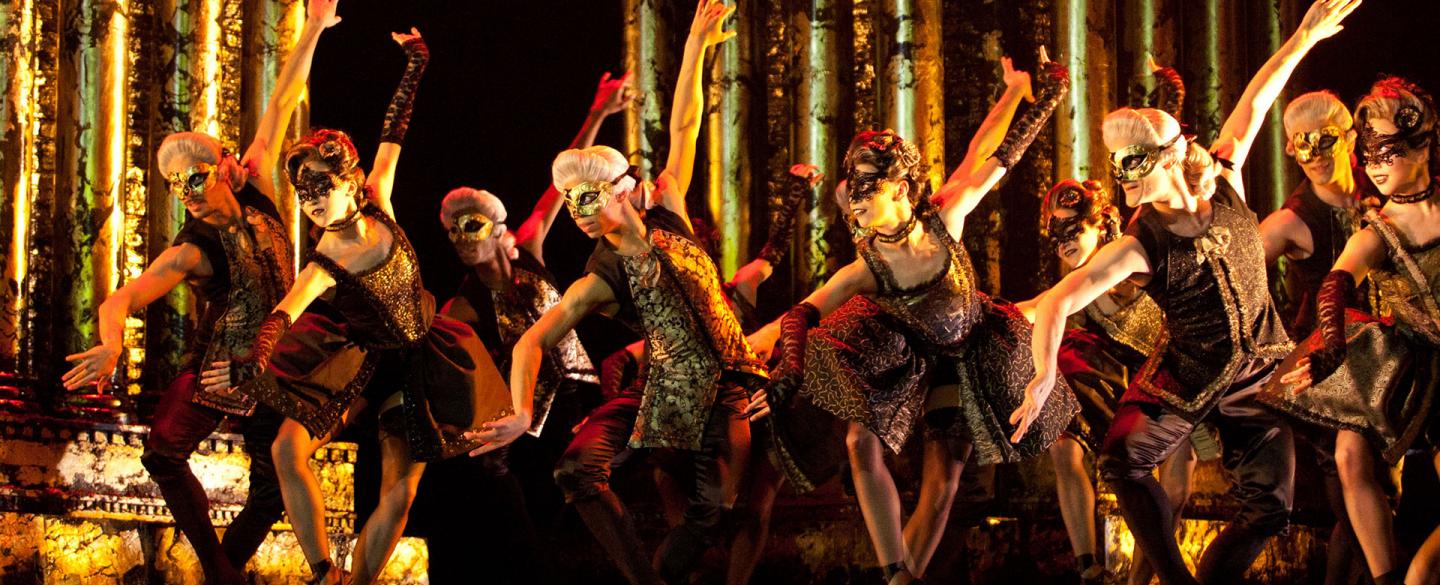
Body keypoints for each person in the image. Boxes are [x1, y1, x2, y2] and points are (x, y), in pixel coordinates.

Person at [1012, 2, 1359, 583]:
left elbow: (1256, 100)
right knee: (1121, 462)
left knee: (1269, 511)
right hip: (1189, 372)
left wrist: (1304, 36)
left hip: (1259, 370)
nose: (1120, 175)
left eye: (1130, 163)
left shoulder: (1224, 181)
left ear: (1167, 160)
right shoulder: (1138, 241)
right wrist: (1044, 372)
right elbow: (1058, 300)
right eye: (1115, 163)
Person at [747, 52, 1080, 585]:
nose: (854, 205)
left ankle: (908, 576)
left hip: (970, 353)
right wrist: (786, 373)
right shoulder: (867, 266)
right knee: (859, 442)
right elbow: (803, 314)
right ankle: (894, 573)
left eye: (865, 193)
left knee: (943, 478)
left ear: (900, 190)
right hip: (905, 356)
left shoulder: (946, 214)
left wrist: (1034, 92)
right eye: (850, 195)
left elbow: (992, 152)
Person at [467, 4, 760, 584]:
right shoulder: (602, 275)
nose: (577, 212)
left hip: (726, 384)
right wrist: (522, 411)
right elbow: (533, 339)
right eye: (569, 201)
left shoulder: (667, 211)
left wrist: (698, 43)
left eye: (587, 197)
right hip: (663, 389)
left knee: (714, 515)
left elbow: (685, 127)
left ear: (624, 191)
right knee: (574, 470)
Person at [201, 30, 505, 585]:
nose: (313, 203)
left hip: (417, 361)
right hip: (361, 361)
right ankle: (326, 574)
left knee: (401, 490)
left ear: (353, 182)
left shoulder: (382, 201)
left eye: (322, 188)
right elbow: (283, 314)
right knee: (287, 447)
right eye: (304, 195)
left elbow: (395, 130)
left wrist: (416, 61)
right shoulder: (324, 257)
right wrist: (248, 363)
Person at [59, 1, 339, 582]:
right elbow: (123, 297)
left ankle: (223, 571)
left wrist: (312, 26)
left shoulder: (253, 185)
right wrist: (111, 343)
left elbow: (283, 100)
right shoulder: (192, 247)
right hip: (219, 364)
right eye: (172, 184)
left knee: (271, 486)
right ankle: (220, 571)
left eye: (193, 178)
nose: (183, 191)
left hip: (273, 361)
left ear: (223, 169)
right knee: (162, 451)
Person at [422, 71, 631, 581]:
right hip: (526, 415)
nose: (459, 239)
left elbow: (559, 188)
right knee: (530, 524)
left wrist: (599, 112)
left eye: (470, 227)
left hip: (573, 398)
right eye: (451, 232)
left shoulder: (531, 250)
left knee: (568, 507)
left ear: (497, 231)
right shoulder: (464, 305)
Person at [1265, 75, 1440, 585]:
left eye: (1388, 148)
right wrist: (1329, 350)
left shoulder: (1365, 201)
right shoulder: (1376, 230)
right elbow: (1334, 286)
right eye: (1371, 151)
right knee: (1348, 455)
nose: (1376, 161)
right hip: (1391, 363)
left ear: (1423, 143)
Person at [1020, 179, 1193, 585]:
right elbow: (1038, 307)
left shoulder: (1137, 256)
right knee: (1065, 444)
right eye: (1055, 233)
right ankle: (1088, 567)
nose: (1063, 242)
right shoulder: (1074, 286)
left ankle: (1141, 577)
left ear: (1102, 224)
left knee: (1178, 485)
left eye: (1073, 229)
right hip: (1113, 389)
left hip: (1176, 378)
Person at [1258, 89, 1381, 585]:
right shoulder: (1290, 220)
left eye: (1323, 141)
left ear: (1348, 136)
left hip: (1388, 359)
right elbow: (1237, 277)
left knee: (1374, 509)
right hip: (1327, 372)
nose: (1313, 156)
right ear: (1288, 148)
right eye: (1300, 145)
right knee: (1351, 506)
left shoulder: (1380, 191)